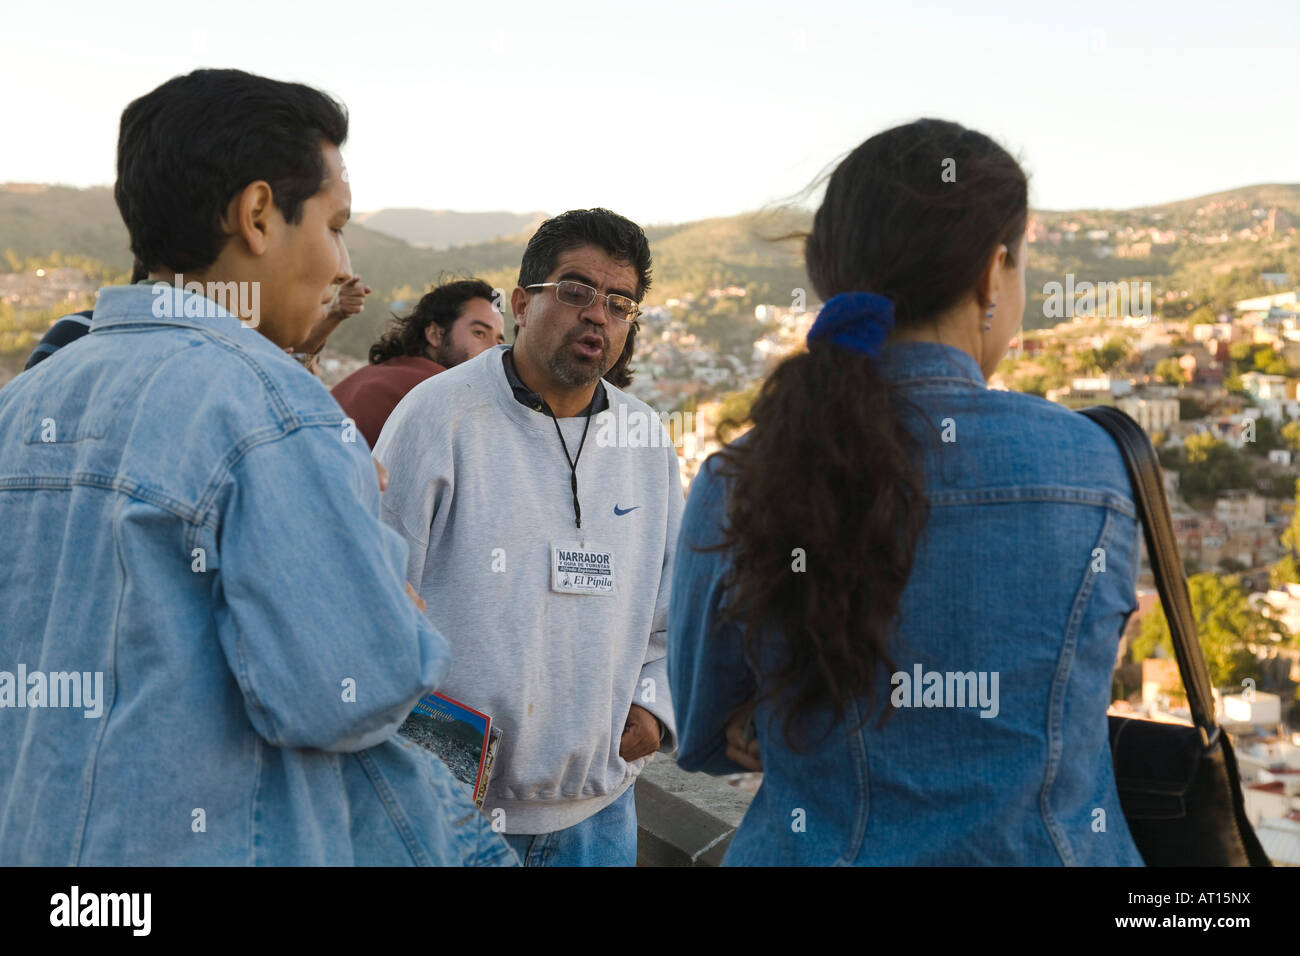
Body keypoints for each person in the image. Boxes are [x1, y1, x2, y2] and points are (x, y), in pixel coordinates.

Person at [0, 68, 513, 867]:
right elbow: (350, 692)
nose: (343, 263)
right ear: (259, 214)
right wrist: (389, 595)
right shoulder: (274, 409)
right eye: (337, 226)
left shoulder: (24, 403)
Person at [668, 118, 1145, 866]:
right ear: (993, 274)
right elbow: (1069, 695)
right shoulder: (1091, 464)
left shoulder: (742, 475)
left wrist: (795, 724)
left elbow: (701, 734)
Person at [375, 208, 683, 866]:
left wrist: (653, 705)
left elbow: (671, 608)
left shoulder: (645, 439)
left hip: (599, 813)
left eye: (619, 303)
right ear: (521, 302)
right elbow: (376, 600)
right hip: (454, 814)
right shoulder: (439, 415)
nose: (596, 315)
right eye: (575, 291)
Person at [332, 278, 505, 447]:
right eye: (479, 333)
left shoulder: (369, 374)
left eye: (499, 341)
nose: (492, 349)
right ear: (435, 334)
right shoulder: (444, 391)